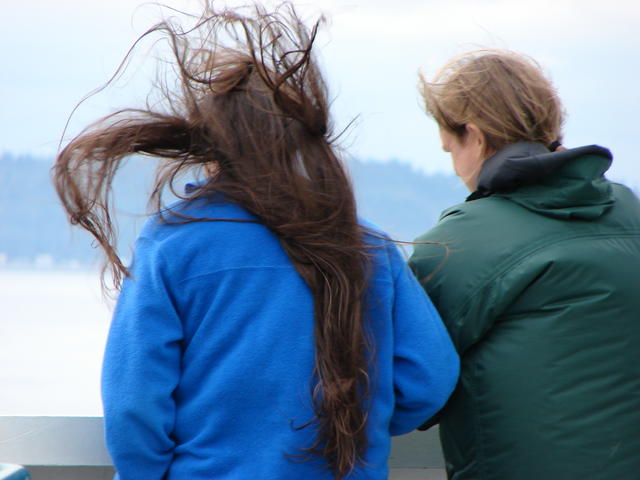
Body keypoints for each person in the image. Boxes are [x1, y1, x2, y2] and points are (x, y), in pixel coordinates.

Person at [53, 4, 459, 480]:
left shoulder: (173, 243)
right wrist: (362, 428)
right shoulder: (369, 247)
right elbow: (429, 379)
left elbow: (134, 404)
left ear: (211, 147)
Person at [409, 49, 640, 480]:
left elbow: (407, 382)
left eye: (450, 150)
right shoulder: (631, 213)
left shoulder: (455, 246)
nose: (458, 171)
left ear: (474, 138)